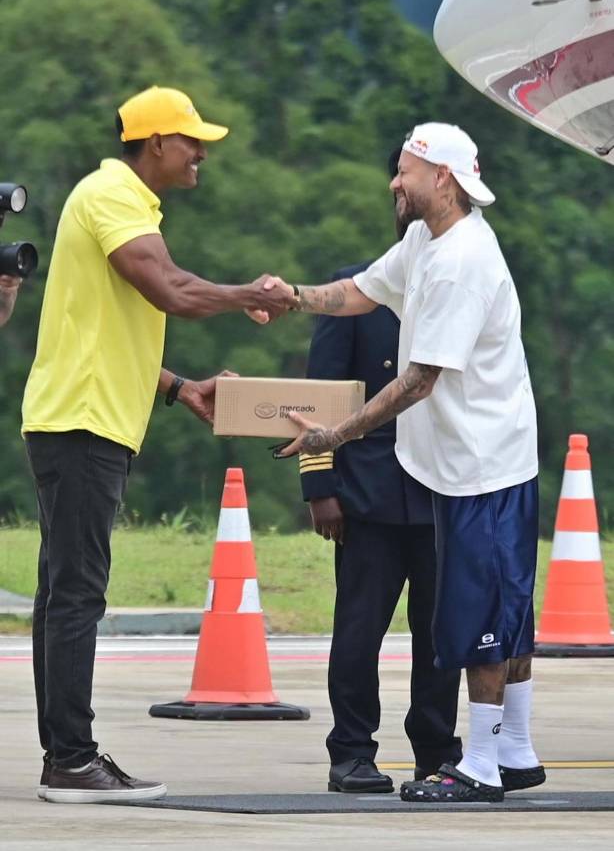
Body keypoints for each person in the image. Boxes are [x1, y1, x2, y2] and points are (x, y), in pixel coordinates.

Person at [21, 85, 293, 804]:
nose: (201, 153)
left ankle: (66, 754)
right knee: (77, 594)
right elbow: (170, 289)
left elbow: (110, 331)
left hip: (82, 417)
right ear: (155, 145)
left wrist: (179, 388)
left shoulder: (122, 200)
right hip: (83, 424)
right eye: (192, 140)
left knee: (62, 594)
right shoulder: (113, 196)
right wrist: (248, 293)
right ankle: (72, 761)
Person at [269, 122, 544, 803]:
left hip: (481, 467)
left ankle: (478, 763)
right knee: (493, 609)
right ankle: (513, 749)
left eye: (406, 171)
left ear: (442, 179)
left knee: (477, 618)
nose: (395, 181)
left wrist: (333, 437)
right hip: (452, 469)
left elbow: (419, 381)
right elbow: (360, 290)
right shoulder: (426, 241)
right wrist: (292, 296)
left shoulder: (460, 261)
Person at [300, 149, 461, 795]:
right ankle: (352, 753)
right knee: (359, 629)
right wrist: (320, 486)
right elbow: (317, 399)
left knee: (438, 632)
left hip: (438, 491)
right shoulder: (356, 292)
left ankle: (435, 750)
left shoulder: (456, 290)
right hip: (365, 493)